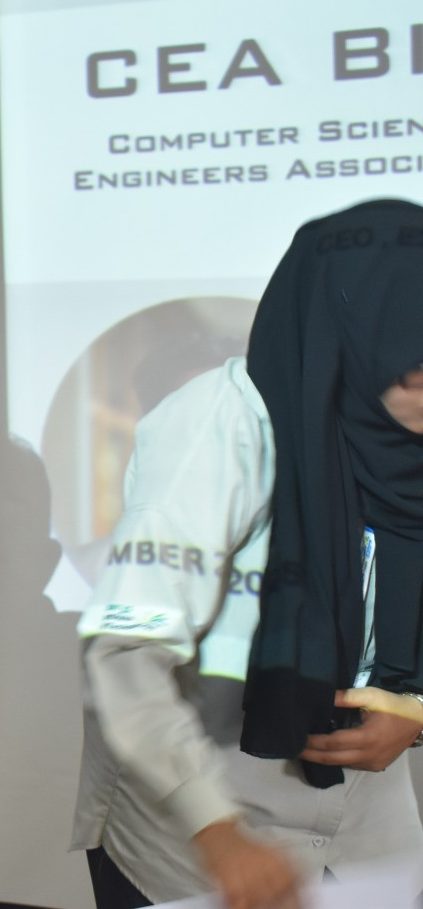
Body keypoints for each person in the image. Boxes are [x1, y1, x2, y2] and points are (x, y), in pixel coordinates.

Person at [73, 198, 423, 909]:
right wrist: (216, 830)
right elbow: (126, 649)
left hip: (366, 831)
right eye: (413, 367)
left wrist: (415, 705)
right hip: (201, 830)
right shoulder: (218, 427)